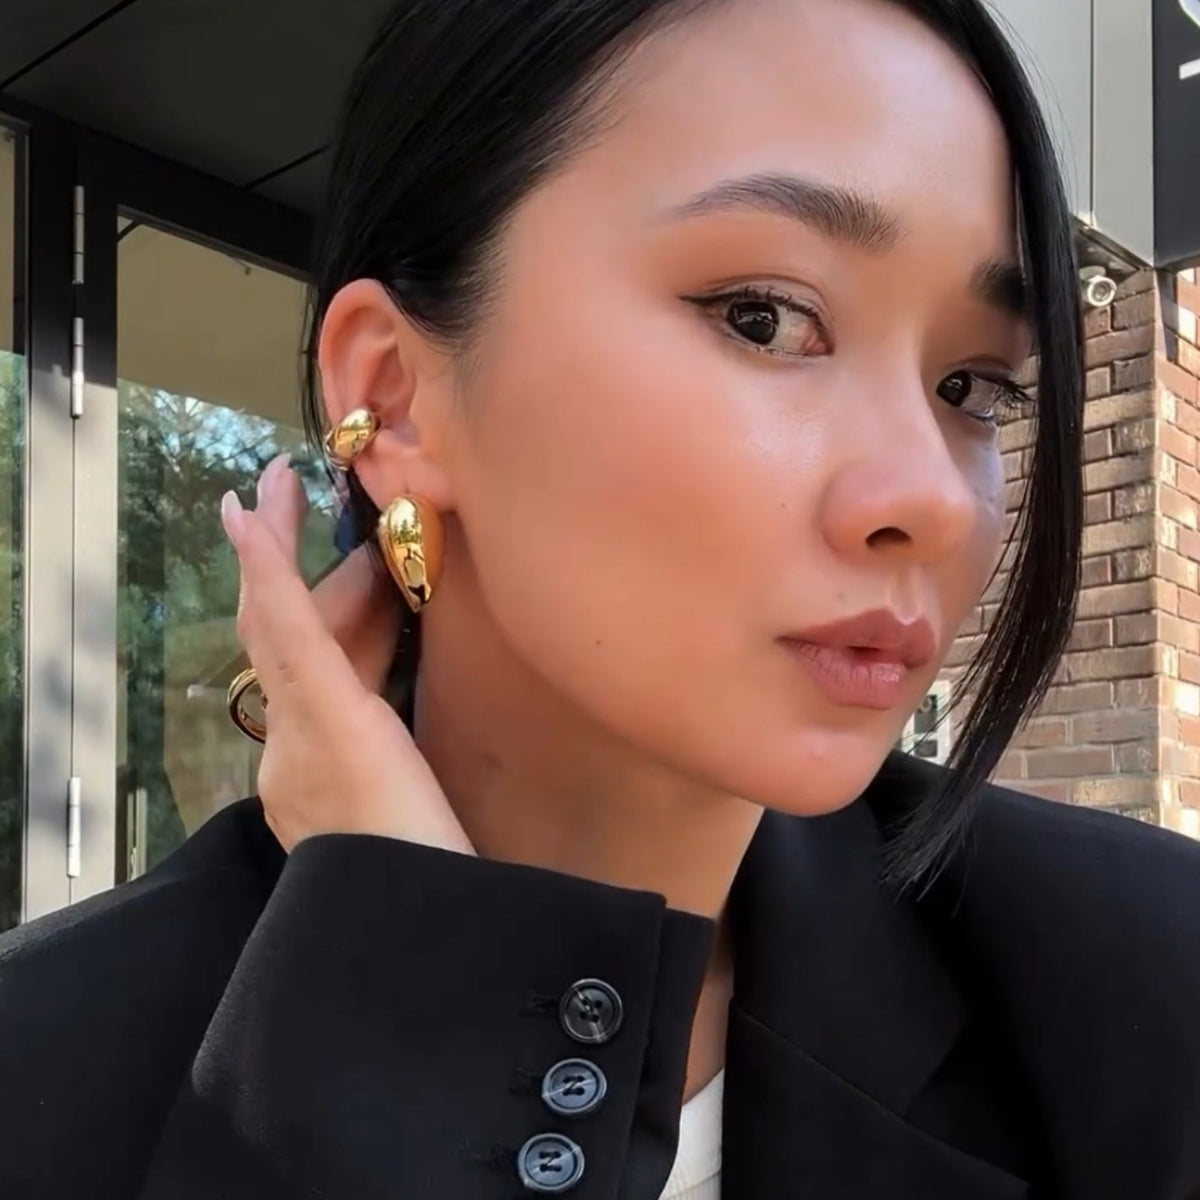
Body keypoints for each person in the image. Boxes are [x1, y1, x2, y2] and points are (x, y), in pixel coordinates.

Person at [2, 0, 1199, 1196]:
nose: (932, 496)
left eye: (972, 386)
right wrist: (407, 993)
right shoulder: (48, 1076)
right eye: (765, 318)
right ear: (393, 397)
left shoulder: (1141, 993)